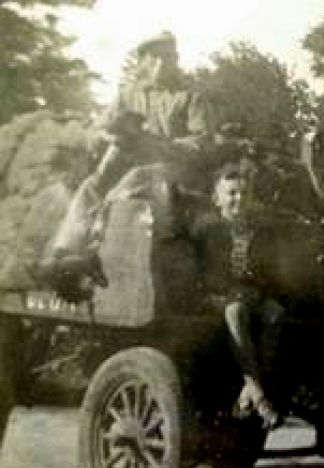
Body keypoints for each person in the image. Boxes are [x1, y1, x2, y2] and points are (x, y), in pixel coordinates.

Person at [40, 31, 215, 300]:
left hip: (176, 171)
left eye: (169, 57)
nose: (163, 64)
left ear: (177, 59)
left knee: (138, 176)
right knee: (91, 185)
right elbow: (99, 128)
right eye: (156, 57)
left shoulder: (191, 97)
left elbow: (203, 144)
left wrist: (156, 144)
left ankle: (96, 248)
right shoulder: (128, 95)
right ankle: (64, 254)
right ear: (144, 61)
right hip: (131, 167)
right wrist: (113, 134)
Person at [194, 161, 283, 429]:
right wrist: (223, 292)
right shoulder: (206, 229)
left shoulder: (259, 231)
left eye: (244, 193)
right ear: (217, 197)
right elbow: (199, 270)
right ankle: (259, 395)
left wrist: (257, 290)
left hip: (248, 294)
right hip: (216, 296)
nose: (238, 199)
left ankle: (247, 393)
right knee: (236, 312)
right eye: (231, 193)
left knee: (275, 314)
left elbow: (268, 270)